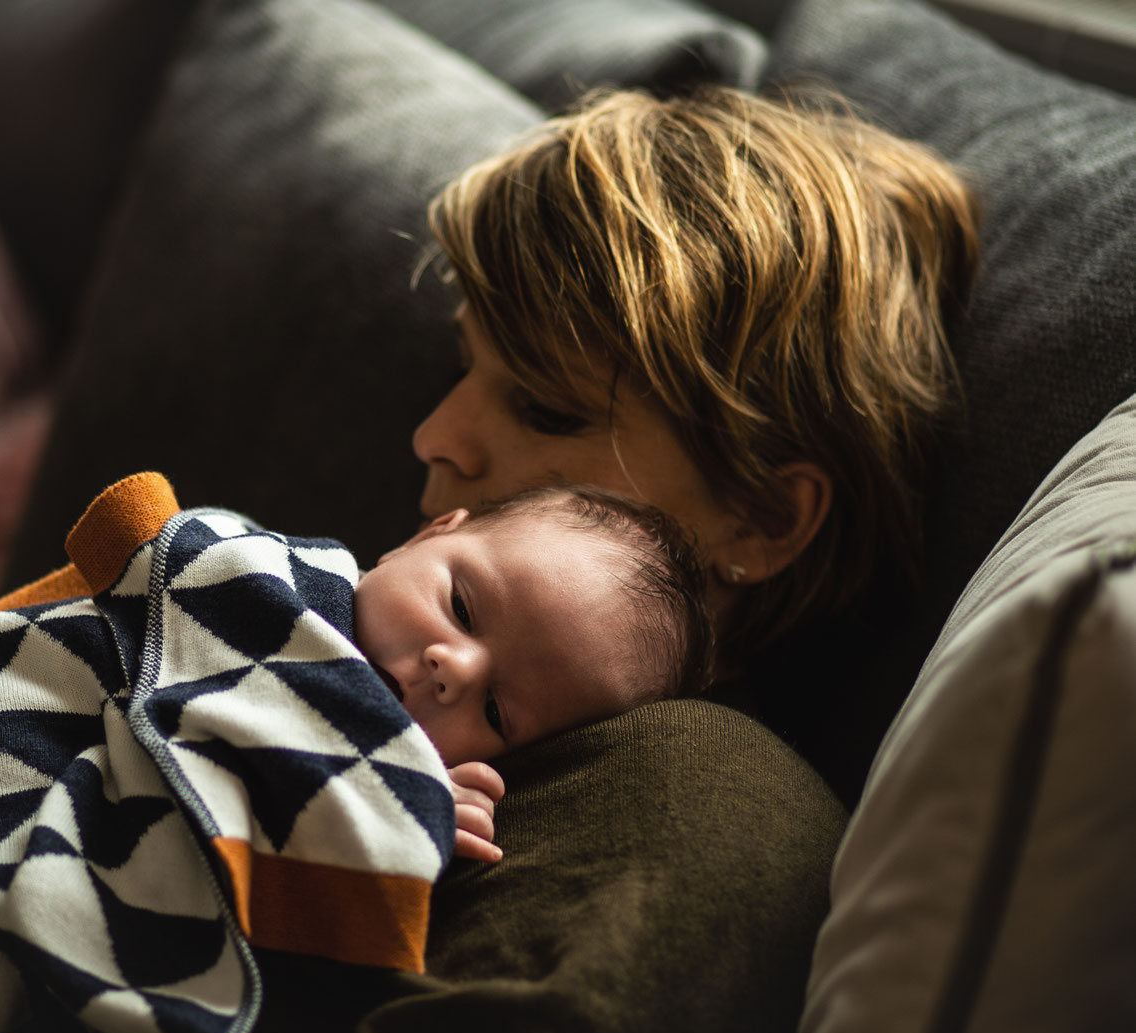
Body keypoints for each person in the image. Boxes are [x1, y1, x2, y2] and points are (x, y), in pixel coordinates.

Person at [413, 84, 980, 677]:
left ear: (763, 520)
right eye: (464, 366)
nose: (433, 437)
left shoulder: (684, 765)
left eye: (547, 412)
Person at [354, 483, 713, 862]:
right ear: (427, 537)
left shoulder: (400, 788)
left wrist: (393, 809)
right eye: (460, 608)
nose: (457, 671)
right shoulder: (292, 573)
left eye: (494, 711)